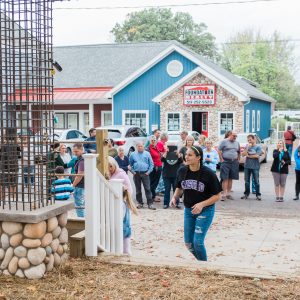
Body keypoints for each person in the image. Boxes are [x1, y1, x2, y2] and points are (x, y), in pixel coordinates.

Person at [170, 146, 222, 261]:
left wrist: (202, 204)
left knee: (197, 242)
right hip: (189, 210)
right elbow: (179, 187)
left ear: (198, 157)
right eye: (186, 154)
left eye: (190, 155)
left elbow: (218, 196)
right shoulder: (182, 170)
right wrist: (174, 197)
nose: (186, 157)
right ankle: (201, 263)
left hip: (205, 211)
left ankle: (204, 267)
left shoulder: (208, 174)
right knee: (188, 243)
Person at [108, 156, 136, 255]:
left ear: (114, 165)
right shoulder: (108, 174)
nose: (109, 169)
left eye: (111, 166)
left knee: (124, 226)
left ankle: (126, 251)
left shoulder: (121, 174)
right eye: (108, 167)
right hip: (111, 204)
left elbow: (130, 189)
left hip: (121, 202)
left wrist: (124, 196)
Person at [129, 142, 155, 210]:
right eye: (138, 146)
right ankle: (140, 203)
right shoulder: (132, 154)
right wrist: (133, 172)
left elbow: (151, 164)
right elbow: (130, 165)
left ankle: (150, 203)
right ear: (136, 147)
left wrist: (148, 172)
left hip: (145, 173)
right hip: (136, 173)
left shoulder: (147, 153)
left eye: (141, 146)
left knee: (147, 188)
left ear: (143, 146)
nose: (140, 147)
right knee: (138, 189)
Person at [218, 131, 240, 201]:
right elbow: (219, 150)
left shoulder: (237, 143)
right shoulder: (224, 141)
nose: (235, 137)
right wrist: (221, 159)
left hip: (234, 162)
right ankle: (224, 194)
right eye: (234, 136)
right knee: (225, 178)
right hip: (226, 162)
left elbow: (239, 151)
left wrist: (238, 159)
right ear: (230, 135)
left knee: (231, 178)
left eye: (236, 136)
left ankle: (228, 194)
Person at [240, 134, 262, 201]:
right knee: (246, 181)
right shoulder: (247, 146)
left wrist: (248, 156)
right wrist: (247, 148)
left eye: (250, 139)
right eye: (248, 140)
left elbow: (257, 156)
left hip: (255, 166)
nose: (249, 141)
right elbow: (243, 154)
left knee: (256, 181)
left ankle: (258, 194)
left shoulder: (258, 147)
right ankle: (246, 193)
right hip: (247, 166)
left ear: (254, 139)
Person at [72, 143, 85, 217]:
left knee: (79, 206)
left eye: (76, 151)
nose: (74, 153)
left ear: (81, 150)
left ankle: (82, 221)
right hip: (82, 185)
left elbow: (80, 175)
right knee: (82, 205)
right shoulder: (82, 159)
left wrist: (73, 185)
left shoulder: (82, 160)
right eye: (74, 151)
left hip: (80, 186)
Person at [149, 135, 162, 202]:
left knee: (156, 182)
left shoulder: (156, 147)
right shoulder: (149, 148)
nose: (153, 141)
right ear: (150, 141)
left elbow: (159, 156)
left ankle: (152, 196)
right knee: (153, 182)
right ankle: (152, 196)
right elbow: (148, 159)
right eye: (152, 140)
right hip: (154, 167)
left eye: (154, 140)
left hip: (159, 166)